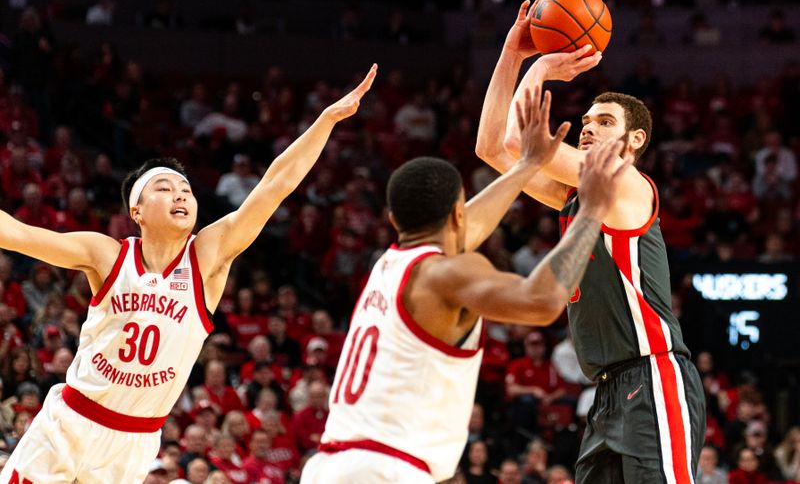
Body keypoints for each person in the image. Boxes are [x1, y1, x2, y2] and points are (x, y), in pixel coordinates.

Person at [0, 64, 378, 483]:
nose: (180, 195)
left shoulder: (207, 258)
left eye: (186, 191)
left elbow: (273, 186)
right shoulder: (106, 254)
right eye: (164, 188)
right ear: (136, 212)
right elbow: (17, 233)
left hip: (135, 442)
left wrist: (325, 121)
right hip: (70, 422)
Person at [301, 80, 631, 483]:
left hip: (330, 465)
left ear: (394, 220)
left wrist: (527, 165)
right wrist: (591, 210)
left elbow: (464, 226)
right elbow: (541, 302)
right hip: (385, 469)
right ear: (457, 213)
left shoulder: (390, 264)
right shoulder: (449, 272)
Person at [475, 0, 706, 484]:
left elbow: (522, 144)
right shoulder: (572, 197)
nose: (587, 129)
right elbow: (492, 147)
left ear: (635, 140)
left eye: (604, 122)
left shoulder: (626, 182)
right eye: (585, 123)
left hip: (653, 377)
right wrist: (511, 54)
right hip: (606, 391)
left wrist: (539, 68)